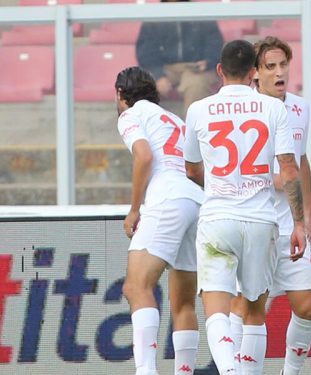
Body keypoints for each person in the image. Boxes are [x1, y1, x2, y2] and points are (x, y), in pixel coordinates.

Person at [183, 39, 307, 375]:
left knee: (217, 310)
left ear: (220, 70)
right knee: (254, 310)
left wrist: (221, 180)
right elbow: (290, 170)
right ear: (254, 71)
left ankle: (229, 371)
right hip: (261, 220)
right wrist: (298, 223)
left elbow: (192, 170)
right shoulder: (272, 108)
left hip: (218, 219)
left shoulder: (198, 109)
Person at [116, 66, 204, 375]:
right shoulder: (174, 120)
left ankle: (146, 370)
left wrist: (134, 208)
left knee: (136, 286)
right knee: (184, 303)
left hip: (166, 197)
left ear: (120, 95)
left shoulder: (130, 115)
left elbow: (145, 156)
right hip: (196, 200)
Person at [240, 36, 311, 375]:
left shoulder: (300, 109)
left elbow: (301, 164)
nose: (278, 73)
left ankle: (290, 371)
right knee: (248, 306)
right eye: (270, 67)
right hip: (255, 217)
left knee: (307, 305)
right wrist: (275, 180)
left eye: (283, 65)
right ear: (255, 73)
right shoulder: (245, 108)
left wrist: (309, 216)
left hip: (291, 223)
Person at [136, 0, 223, 115]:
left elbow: (215, 42)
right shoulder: (155, 16)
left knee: (196, 85)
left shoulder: (200, 12)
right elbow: (146, 51)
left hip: (195, 68)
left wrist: (208, 61)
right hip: (164, 68)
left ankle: (193, 130)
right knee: (140, 86)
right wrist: (158, 76)